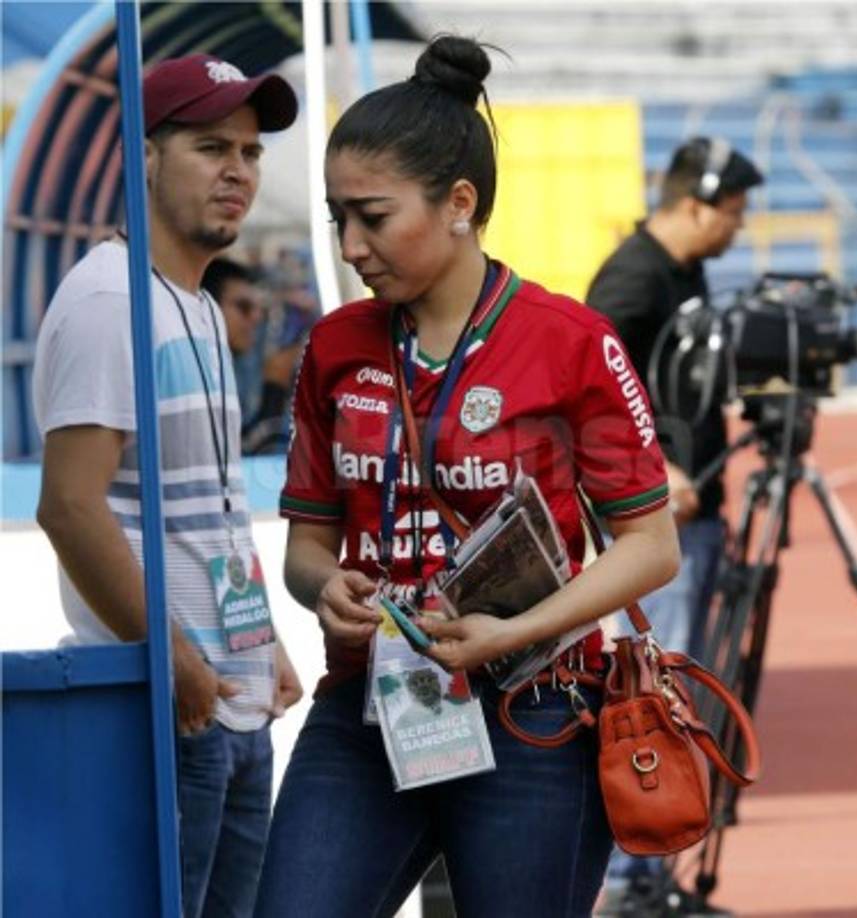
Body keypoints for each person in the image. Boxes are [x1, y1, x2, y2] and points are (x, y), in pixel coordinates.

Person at [254, 35, 680, 918]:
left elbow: (649, 548)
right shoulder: (335, 348)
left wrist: (504, 633)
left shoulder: (569, 342)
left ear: (459, 203)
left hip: (536, 712)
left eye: (373, 216)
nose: (352, 244)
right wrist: (322, 586)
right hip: (368, 706)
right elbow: (307, 543)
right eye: (339, 218)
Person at [33, 54, 303, 918]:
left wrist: (261, 645)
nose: (238, 171)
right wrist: (173, 656)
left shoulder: (189, 301)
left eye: (252, 153)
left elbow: (212, 511)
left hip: (231, 698)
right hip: (172, 707)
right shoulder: (110, 300)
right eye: (210, 146)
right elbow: (70, 507)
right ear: (145, 158)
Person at [585, 138, 763, 912]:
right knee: (657, 693)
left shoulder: (683, 270)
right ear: (693, 203)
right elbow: (588, 385)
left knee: (677, 691)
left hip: (693, 512)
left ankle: (655, 870)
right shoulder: (631, 277)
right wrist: (652, 464)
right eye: (730, 213)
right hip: (657, 519)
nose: (736, 228)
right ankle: (633, 875)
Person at [202, 256, 306, 454]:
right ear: (208, 307)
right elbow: (245, 455)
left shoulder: (224, 368)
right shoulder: (201, 375)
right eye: (244, 307)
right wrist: (275, 386)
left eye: (259, 309)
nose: (256, 318)